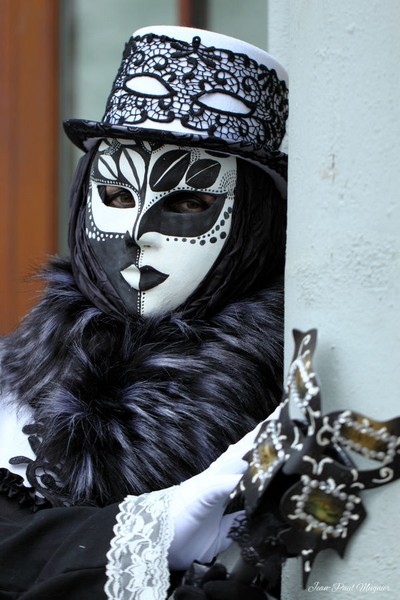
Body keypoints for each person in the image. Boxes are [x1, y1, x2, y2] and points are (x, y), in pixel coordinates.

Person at [0, 25, 288, 599]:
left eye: (187, 202)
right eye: (117, 196)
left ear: (253, 221)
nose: (138, 233)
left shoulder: (283, 387)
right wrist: (151, 533)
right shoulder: (13, 386)